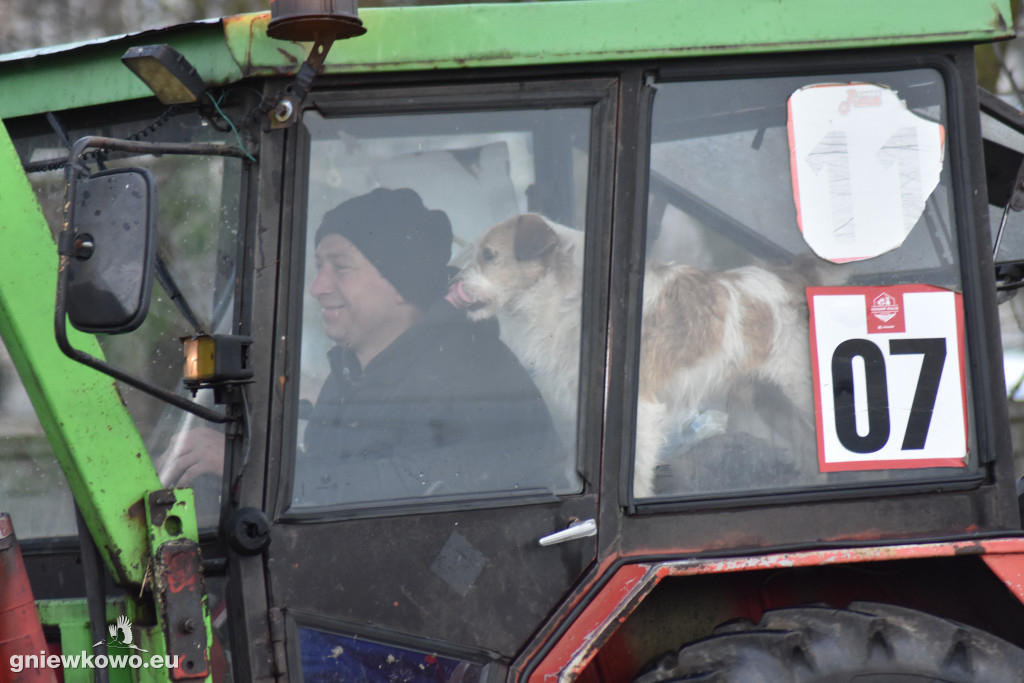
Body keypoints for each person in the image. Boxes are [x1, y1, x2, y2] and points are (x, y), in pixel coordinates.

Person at [159, 188, 572, 507]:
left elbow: (410, 492)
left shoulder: (469, 375)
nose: (318, 287)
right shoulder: (358, 369)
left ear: (400, 282)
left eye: (340, 267)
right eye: (320, 267)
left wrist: (250, 473)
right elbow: (340, 472)